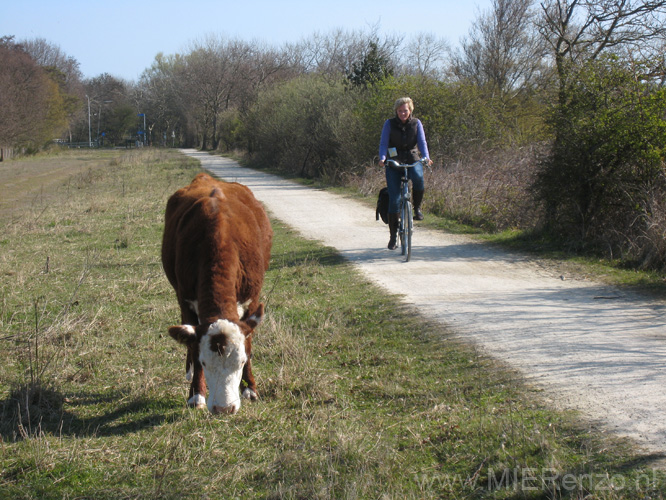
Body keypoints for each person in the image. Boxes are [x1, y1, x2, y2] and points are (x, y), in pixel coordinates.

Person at [378, 97, 432, 250]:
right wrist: (382, 158)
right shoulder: (389, 124)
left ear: (410, 111)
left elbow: (422, 142)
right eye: (400, 111)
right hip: (394, 161)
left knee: (418, 178)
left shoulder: (416, 123)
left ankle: (417, 208)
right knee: (395, 199)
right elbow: (383, 143)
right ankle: (393, 237)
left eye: (405, 110)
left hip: (412, 157)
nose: (403, 113)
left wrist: (426, 157)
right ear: (396, 111)